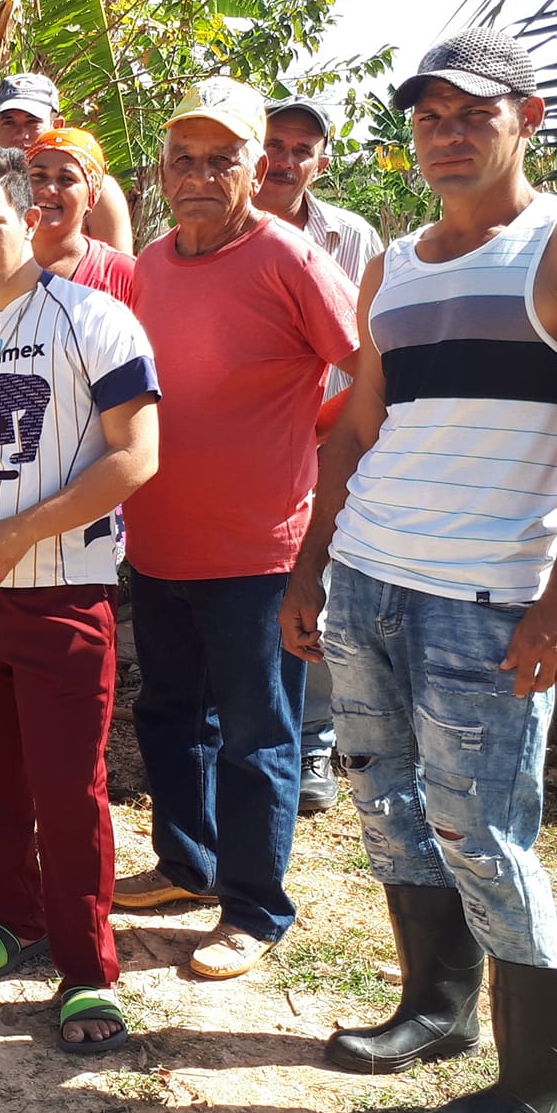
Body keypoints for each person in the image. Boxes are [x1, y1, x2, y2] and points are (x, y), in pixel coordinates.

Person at [281, 30, 557, 1113]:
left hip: (487, 594)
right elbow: (355, 427)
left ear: (524, 118)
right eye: (427, 116)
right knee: (386, 806)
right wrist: (310, 561)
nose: (445, 132)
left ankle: (530, 1091)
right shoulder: (393, 264)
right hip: (370, 577)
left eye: (469, 113)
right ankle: (432, 1010)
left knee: (482, 832)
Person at [0, 146, 159, 1050]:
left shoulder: (96, 321)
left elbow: (137, 456)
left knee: (69, 787)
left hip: (64, 597)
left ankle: (88, 970)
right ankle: (13, 917)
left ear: (33, 218)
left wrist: (23, 531)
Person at [115, 77, 359, 980]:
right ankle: (188, 865)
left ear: (257, 168)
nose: (201, 176)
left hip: (259, 548)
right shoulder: (150, 264)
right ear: (162, 171)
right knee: (171, 713)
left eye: (222, 160)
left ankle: (255, 910)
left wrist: (313, 434)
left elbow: (363, 371)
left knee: (259, 733)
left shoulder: (290, 258)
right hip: (161, 538)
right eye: (185, 159)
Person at [258, 98, 387, 814]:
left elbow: (370, 352)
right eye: (275, 144)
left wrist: (334, 428)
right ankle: (234, 735)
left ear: (322, 162)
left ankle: (311, 742)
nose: (284, 161)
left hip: (332, 443)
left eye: (301, 149)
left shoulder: (353, 236)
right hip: (243, 453)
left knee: (321, 585)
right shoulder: (209, 225)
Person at [0, 126, 135, 309]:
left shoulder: (124, 276)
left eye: (67, 179)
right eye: (38, 176)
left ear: (91, 197)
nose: (49, 189)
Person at [0, 74, 134, 253]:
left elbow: (115, 273)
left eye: (32, 122)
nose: (20, 134)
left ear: (57, 126)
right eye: (9, 122)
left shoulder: (96, 190)